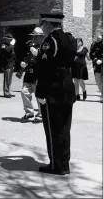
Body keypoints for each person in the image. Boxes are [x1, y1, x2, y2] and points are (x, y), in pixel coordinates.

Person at [35, 9, 77, 175]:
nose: (42, 28)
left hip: (53, 89)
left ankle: (55, 165)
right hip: (67, 86)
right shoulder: (70, 38)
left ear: (47, 23)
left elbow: (45, 68)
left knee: (53, 130)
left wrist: (40, 91)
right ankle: (64, 164)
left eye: (42, 24)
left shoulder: (49, 41)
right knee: (65, 129)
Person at [19, 27, 44, 122]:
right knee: (24, 92)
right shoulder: (30, 46)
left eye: (35, 37)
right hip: (29, 74)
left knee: (39, 96)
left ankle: (41, 114)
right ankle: (29, 112)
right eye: (33, 37)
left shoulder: (44, 47)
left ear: (40, 37)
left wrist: (37, 53)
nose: (33, 39)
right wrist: (24, 64)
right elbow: (26, 57)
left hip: (38, 75)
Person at [0, 34, 16, 98]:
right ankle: (6, 93)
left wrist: (14, 64)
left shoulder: (10, 46)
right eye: (9, 39)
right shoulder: (3, 45)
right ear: (6, 39)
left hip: (11, 64)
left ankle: (8, 91)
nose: (10, 40)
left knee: (9, 80)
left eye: (11, 39)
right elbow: (7, 50)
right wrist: (12, 45)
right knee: (7, 79)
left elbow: (13, 56)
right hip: (6, 65)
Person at [89, 34, 103, 103]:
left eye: (99, 39)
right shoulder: (93, 45)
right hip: (97, 65)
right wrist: (95, 60)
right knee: (98, 81)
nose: (98, 40)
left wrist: (102, 60)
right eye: (97, 39)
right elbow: (91, 54)